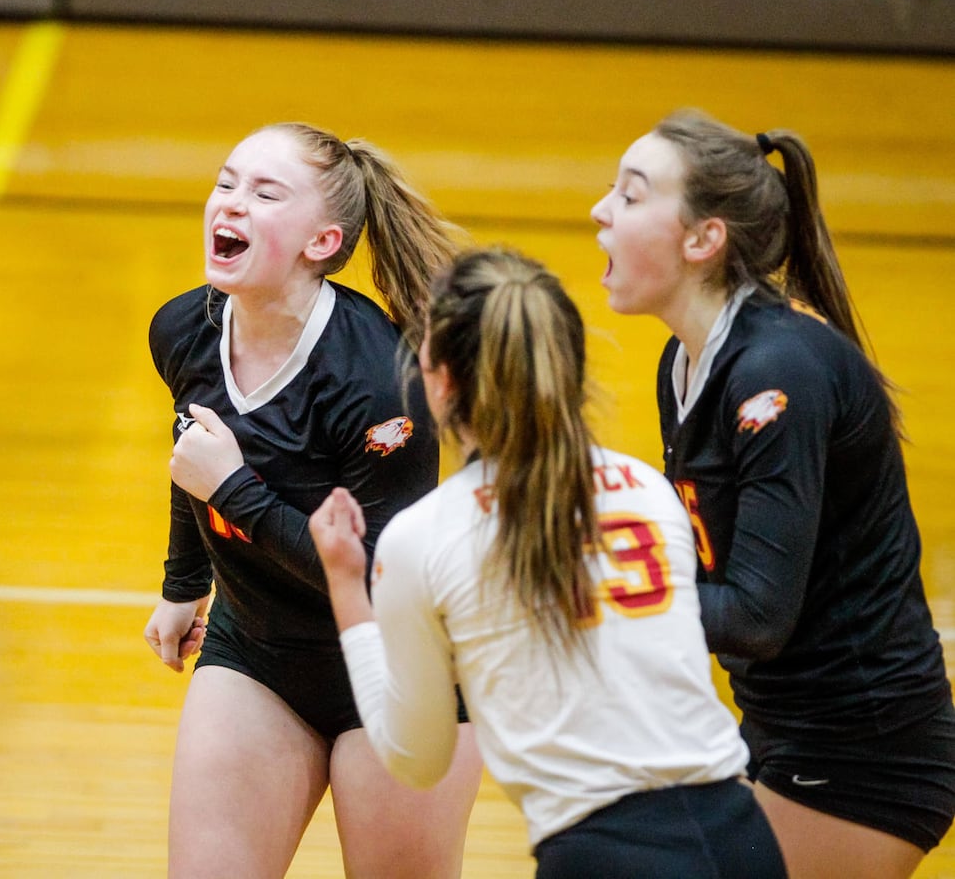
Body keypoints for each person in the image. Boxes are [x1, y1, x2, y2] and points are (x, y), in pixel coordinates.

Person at [310, 246, 786, 879]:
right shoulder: (645, 489)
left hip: (605, 855)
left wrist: (346, 582)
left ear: (440, 380)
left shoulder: (425, 535)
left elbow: (416, 759)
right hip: (742, 836)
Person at [590, 110, 955, 878]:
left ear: (703, 239)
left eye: (630, 195)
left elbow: (756, 615)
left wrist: (590, 593)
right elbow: (705, 566)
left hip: (860, 759)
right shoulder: (685, 362)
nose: (600, 211)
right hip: (782, 734)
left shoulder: (776, 371)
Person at [144, 122, 482, 878]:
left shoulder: (378, 380)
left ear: (322, 242)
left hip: (400, 672)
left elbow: (373, 578)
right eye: (226, 181)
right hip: (256, 652)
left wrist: (236, 492)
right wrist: (183, 582)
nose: (230, 203)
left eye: (265, 193)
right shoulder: (183, 328)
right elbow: (192, 451)